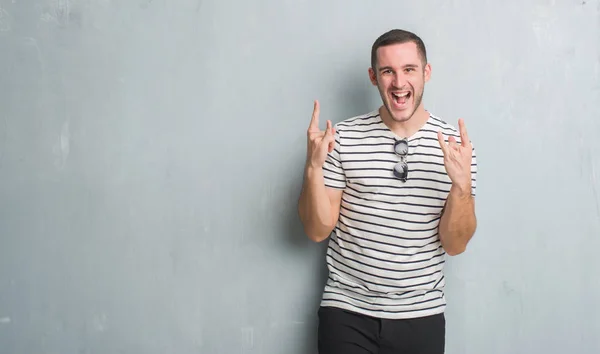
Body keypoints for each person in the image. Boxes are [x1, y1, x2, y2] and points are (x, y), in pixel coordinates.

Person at [297, 29, 478, 354]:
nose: (398, 82)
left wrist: (461, 185)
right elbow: (316, 230)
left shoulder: (456, 147)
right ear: (373, 76)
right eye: (387, 71)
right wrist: (313, 168)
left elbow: (455, 244)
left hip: (421, 316)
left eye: (409, 69)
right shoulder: (343, 138)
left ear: (426, 73)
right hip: (346, 312)